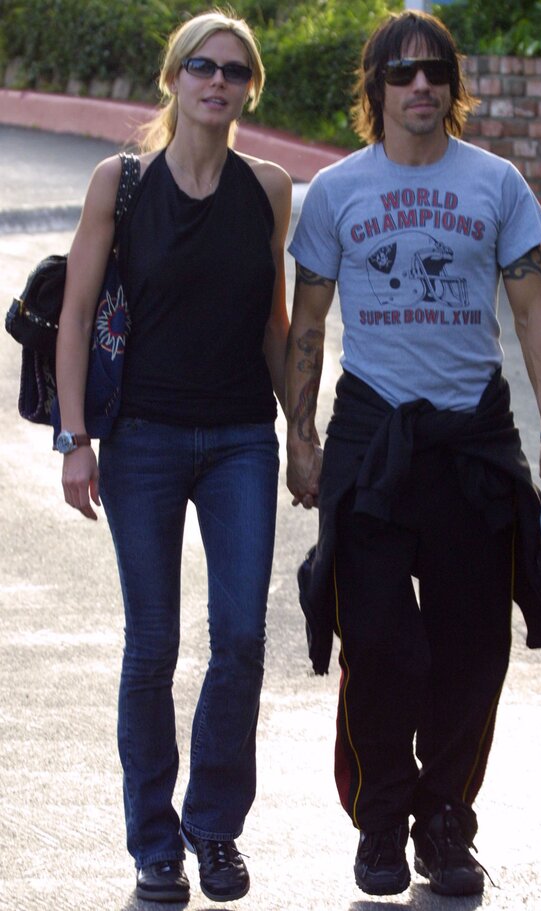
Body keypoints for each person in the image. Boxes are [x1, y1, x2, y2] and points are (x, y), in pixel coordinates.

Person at [285, 8, 541, 899]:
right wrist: (299, 438)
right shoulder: (336, 191)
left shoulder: (496, 185)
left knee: (470, 648)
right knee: (377, 643)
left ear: (452, 88)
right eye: (402, 72)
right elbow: (307, 325)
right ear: (374, 89)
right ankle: (380, 822)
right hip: (373, 440)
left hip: (472, 446)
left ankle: (445, 824)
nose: (420, 85)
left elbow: (532, 318)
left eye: (435, 72)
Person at [55, 9, 291, 904]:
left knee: (239, 639)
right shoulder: (118, 184)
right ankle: (155, 843)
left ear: (248, 87)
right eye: (201, 65)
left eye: (234, 70)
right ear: (173, 78)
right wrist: (77, 440)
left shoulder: (267, 188)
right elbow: (75, 318)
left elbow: (272, 326)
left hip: (240, 441)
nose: (217, 81)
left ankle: (215, 828)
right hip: (142, 441)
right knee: (151, 645)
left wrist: (298, 432)